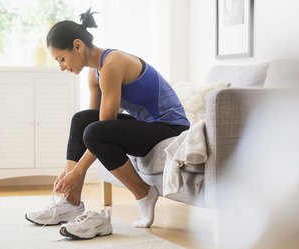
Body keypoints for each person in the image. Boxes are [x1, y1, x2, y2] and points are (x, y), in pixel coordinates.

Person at [25, 8, 189, 239]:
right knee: (81, 120)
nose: (61, 66)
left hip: (170, 127)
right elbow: (90, 122)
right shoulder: (95, 73)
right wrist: (67, 173)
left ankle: (144, 193)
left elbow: (103, 128)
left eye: (62, 58)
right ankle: (71, 203)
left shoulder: (113, 63)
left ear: (78, 45)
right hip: (149, 126)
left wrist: (77, 171)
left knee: (96, 131)